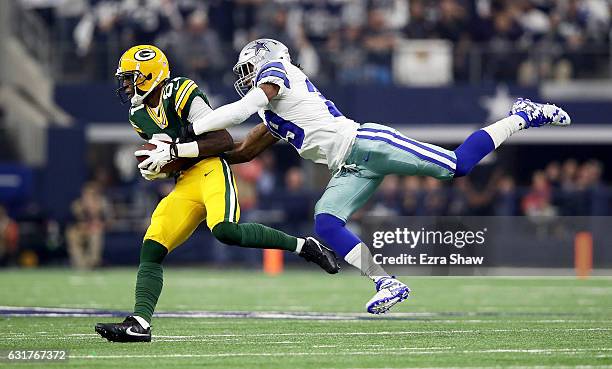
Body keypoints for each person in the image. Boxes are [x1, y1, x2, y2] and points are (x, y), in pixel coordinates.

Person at [170, 38, 571, 315]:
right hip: (348, 166)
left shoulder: (279, 72)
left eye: (247, 68)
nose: (244, 76)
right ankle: (386, 282)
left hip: (366, 143)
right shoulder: (271, 111)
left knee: (456, 166)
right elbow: (240, 151)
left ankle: (522, 115)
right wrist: (183, 156)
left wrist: (196, 129)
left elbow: (239, 111)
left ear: (265, 59)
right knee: (325, 224)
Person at [95, 45, 339, 343]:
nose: (126, 85)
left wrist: (172, 151)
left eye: (131, 77)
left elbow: (222, 139)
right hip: (186, 179)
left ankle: (304, 246)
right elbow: (175, 159)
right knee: (153, 246)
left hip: (211, 168)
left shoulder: (180, 90)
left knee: (225, 230)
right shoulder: (138, 114)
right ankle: (140, 322)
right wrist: (159, 167)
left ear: (149, 75)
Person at [66, 182, 111, 269]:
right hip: (81, 231)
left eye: (91, 194)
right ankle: (80, 264)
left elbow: (109, 221)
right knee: (71, 234)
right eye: (87, 194)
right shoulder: (77, 205)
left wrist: (99, 221)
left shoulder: (102, 203)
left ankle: (92, 263)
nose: (89, 196)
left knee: (96, 234)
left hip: (94, 230)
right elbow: (74, 221)